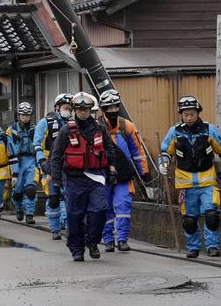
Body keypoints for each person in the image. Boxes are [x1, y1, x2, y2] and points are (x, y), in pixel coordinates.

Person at [159, 96, 221, 258]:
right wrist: (163, 164)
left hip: (208, 181)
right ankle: (193, 247)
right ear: (181, 114)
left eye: (192, 114)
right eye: (185, 114)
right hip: (185, 184)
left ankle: (212, 246)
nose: (188, 118)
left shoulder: (209, 130)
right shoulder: (175, 132)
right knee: (189, 219)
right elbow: (166, 151)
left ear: (198, 113)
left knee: (211, 215)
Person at [48, 92, 119, 262]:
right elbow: (56, 155)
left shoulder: (100, 129)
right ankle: (76, 249)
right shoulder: (66, 131)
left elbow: (110, 150)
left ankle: (93, 242)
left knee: (100, 210)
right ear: (74, 110)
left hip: (96, 177)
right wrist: (56, 179)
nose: (82, 112)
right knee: (74, 215)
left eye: (86, 109)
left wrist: (112, 169)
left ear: (91, 110)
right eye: (79, 109)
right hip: (73, 179)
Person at [97, 90, 149, 252]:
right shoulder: (96, 127)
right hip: (103, 176)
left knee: (123, 206)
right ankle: (108, 240)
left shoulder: (127, 126)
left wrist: (144, 173)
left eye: (115, 107)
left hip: (124, 175)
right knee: (105, 208)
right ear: (103, 109)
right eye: (108, 108)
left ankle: (123, 239)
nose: (112, 111)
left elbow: (138, 152)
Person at [35, 93, 73, 240]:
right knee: (53, 198)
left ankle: (69, 227)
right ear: (57, 107)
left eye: (70, 108)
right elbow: (37, 144)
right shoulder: (46, 123)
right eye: (65, 108)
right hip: (50, 164)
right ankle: (55, 228)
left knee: (69, 196)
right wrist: (42, 162)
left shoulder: (74, 123)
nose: (68, 111)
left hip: (70, 164)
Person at [6, 102, 38, 224]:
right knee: (17, 192)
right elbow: (8, 148)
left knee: (30, 188)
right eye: (22, 115)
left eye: (27, 115)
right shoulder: (12, 130)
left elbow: (40, 144)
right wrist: (17, 143)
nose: (25, 117)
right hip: (16, 162)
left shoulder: (35, 129)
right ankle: (19, 208)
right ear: (18, 115)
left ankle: (29, 214)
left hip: (31, 160)